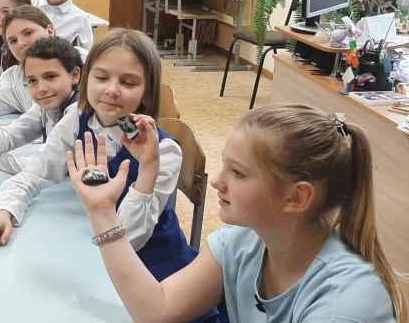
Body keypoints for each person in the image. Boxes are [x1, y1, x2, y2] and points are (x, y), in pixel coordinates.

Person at [68, 104, 405, 322]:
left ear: (297, 197)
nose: (217, 181)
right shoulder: (242, 241)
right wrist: (102, 211)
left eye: (238, 173)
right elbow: (157, 309)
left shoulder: (345, 303)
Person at [0, 29, 214, 323]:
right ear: (85, 79)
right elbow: (35, 173)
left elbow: (132, 240)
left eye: (128, 82)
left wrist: (147, 170)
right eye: (101, 77)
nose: (112, 90)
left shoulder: (163, 151)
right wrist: (5, 211)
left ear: (147, 91)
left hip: (156, 274)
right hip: (95, 261)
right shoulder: (76, 121)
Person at [0, 36, 83, 174]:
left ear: (75, 75)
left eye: (50, 77)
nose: (41, 88)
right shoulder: (45, 107)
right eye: (32, 80)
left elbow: (45, 166)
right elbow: (16, 133)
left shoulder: (77, 113)